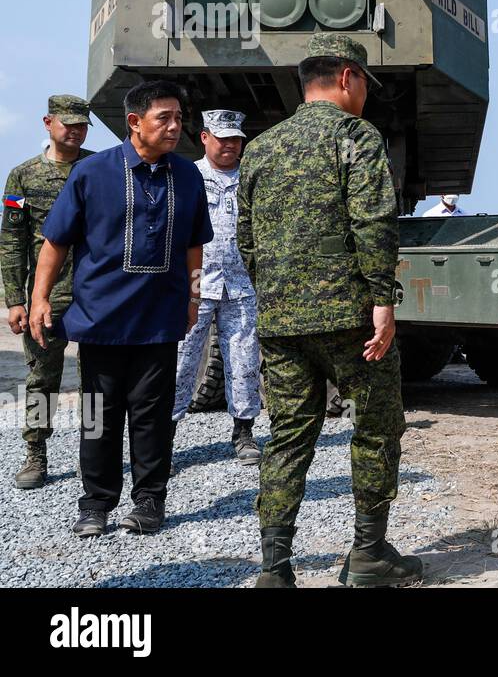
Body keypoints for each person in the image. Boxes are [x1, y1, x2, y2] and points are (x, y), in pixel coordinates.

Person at [238, 32, 419, 588]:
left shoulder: (259, 148)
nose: (366, 93)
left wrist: (279, 296)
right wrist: (383, 301)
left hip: (280, 321)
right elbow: (374, 223)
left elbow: (246, 239)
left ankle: (275, 569)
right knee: (375, 427)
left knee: (289, 437)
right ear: (347, 77)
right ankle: (367, 557)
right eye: (365, 81)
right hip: (351, 319)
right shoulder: (356, 137)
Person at [30, 81, 212, 536]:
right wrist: (39, 298)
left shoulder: (188, 175)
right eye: (163, 119)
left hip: (158, 319)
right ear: (134, 123)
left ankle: (150, 501)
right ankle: (95, 503)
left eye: (178, 118)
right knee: (99, 414)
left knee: (152, 417)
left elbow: (194, 245)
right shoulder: (93, 173)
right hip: (100, 320)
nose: (175, 127)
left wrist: (193, 297)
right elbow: (56, 240)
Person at [2, 95, 95, 489]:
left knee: (98, 378)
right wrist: (15, 300)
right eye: (67, 124)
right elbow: (11, 240)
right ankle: (36, 454)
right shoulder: (22, 177)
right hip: (46, 294)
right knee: (42, 376)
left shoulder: (98, 168)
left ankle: (94, 455)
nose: (74, 132)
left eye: (81, 125)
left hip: (93, 291)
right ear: (47, 123)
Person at [172, 109, 261, 465]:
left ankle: (243, 432)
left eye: (236, 140)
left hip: (241, 286)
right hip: (195, 285)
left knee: (244, 361)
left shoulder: (251, 177)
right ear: (205, 137)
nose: (230, 146)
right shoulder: (186, 176)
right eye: (223, 138)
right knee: (181, 361)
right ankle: (165, 435)